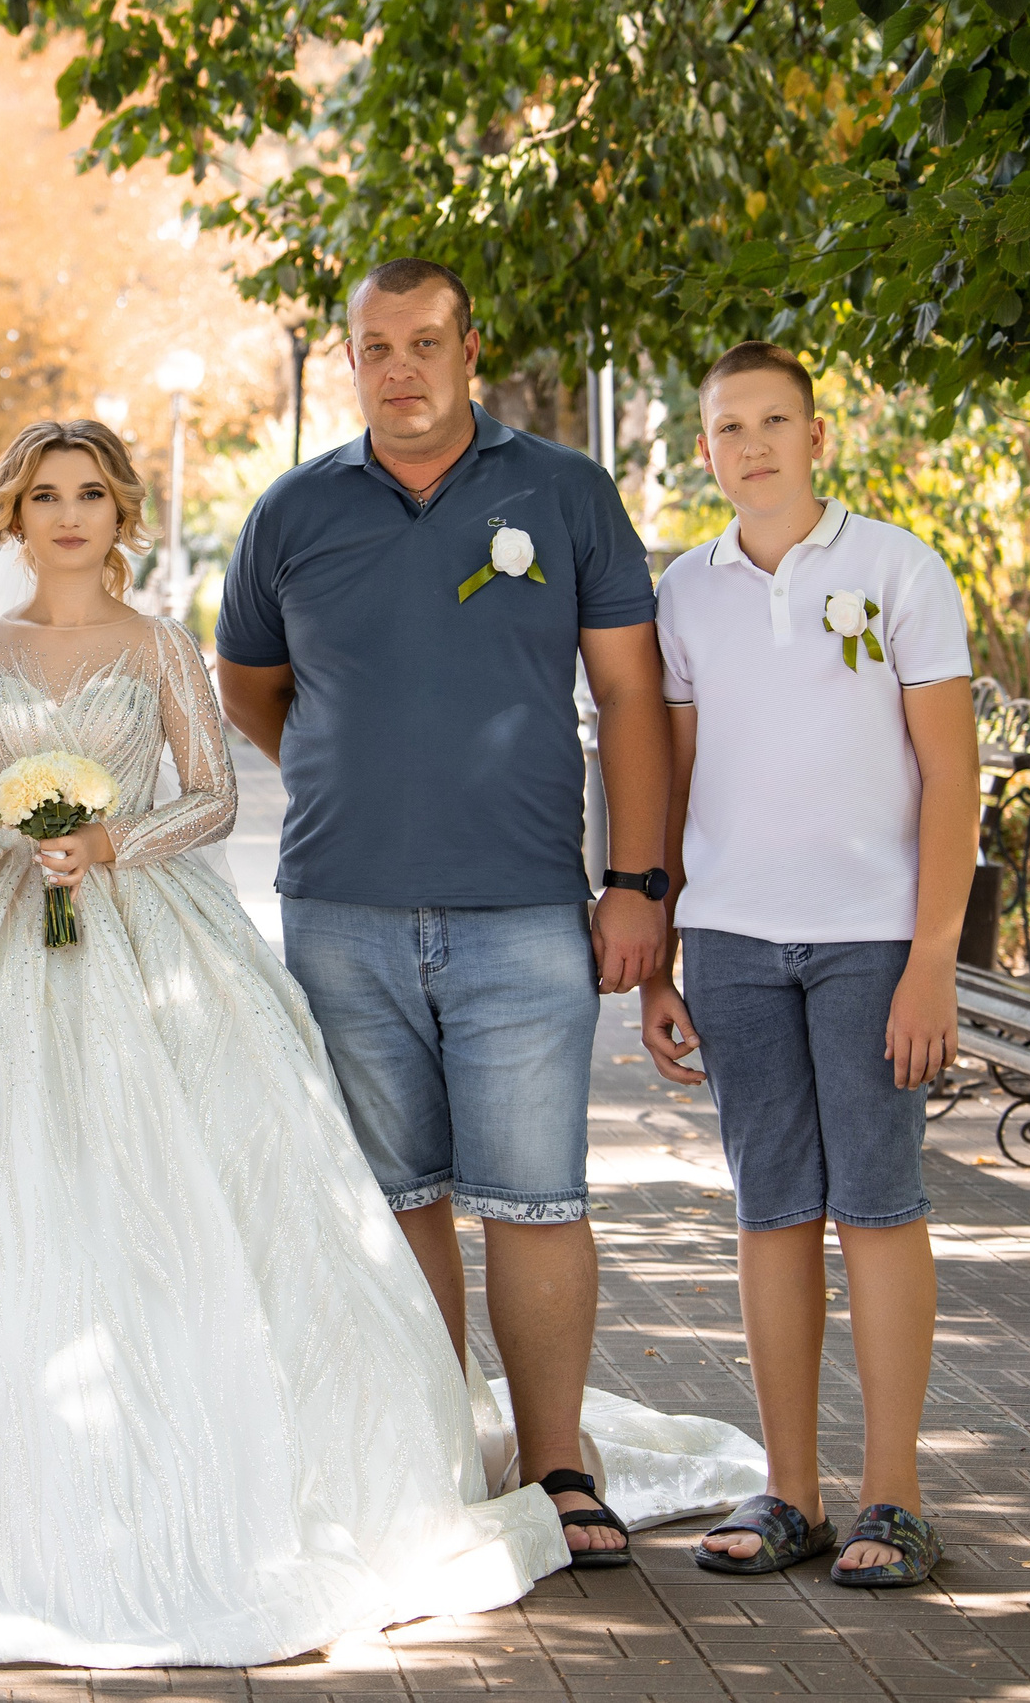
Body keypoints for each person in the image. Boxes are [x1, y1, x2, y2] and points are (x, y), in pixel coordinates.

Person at [0, 419, 759, 1665]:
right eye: (43, 492)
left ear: (119, 513)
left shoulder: (159, 645)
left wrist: (107, 842)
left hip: (145, 933)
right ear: (13, 514)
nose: (65, 514)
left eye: (89, 492)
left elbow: (210, 798)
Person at [213, 258, 673, 1565]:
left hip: (527, 912)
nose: (400, 367)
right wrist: (349, 760)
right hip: (340, 911)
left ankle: (557, 1466)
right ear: (348, 360)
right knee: (394, 1194)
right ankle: (431, 1448)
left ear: (471, 348)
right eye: (375, 347)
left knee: (535, 1198)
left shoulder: (565, 492)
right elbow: (253, 690)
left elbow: (633, 700)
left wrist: (635, 884)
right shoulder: (293, 510)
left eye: (425, 342)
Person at [641, 342, 975, 1587]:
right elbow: (668, 783)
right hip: (731, 940)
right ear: (706, 450)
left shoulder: (898, 567)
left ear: (818, 435)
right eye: (730, 427)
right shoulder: (684, 591)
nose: (754, 445)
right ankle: (793, 1488)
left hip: (873, 942)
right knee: (770, 1208)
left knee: (876, 1206)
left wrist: (930, 958)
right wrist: (662, 956)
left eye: (775, 420)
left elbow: (951, 774)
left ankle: (895, 1496)